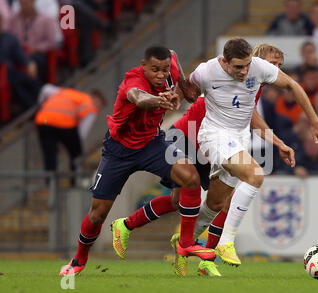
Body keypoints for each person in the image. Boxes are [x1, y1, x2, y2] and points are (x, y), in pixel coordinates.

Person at [111, 43, 296, 277]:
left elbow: (251, 118)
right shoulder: (233, 79)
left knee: (215, 202)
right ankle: (132, 228)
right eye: (273, 64)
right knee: (188, 199)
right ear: (255, 62)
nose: (277, 70)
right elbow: (246, 116)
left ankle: (201, 255)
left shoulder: (252, 87)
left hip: (209, 147)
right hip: (187, 136)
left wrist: (278, 143)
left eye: (280, 65)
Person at [59, 46, 215, 276]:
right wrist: (160, 99)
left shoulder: (169, 65)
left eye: (164, 70)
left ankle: (185, 243)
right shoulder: (133, 80)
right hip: (119, 151)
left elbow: (173, 54)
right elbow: (138, 98)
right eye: (154, 70)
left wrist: (181, 83)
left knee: (190, 177)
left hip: (152, 144)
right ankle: (78, 260)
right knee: (98, 214)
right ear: (143, 66)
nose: (161, 75)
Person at [189, 38, 318, 267]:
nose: (245, 72)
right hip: (212, 135)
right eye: (238, 67)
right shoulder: (206, 71)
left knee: (215, 204)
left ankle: (185, 240)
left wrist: (311, 123)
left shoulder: (258, 71)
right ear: (225, 62)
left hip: (238, 140)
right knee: (255, 175)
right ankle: (226, 242)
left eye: (247, 66)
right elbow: (187, 91)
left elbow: (293, 86)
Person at [34, 88, 106, 182]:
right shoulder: (90, 105)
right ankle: (74, 181)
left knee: (50, 154)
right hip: (64, 123)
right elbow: (82, 133)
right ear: (96, 99)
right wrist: (72, 143)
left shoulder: (67, 92)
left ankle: (50, 182)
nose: (98, 108)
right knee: (76, 154)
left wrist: (41, 104)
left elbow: (45, 89)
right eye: (100, 105)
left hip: (44, 120)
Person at [7, 0, 58, 82]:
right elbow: (8, 37)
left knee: (34, 62)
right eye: (22, 3)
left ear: (33, 2)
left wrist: (36, 48)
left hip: (37, 53)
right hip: (18, 52)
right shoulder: (13, 20)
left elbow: (51, 42)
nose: (25, 6)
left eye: (27, 3)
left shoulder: (46, 19)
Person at [0, 13, 41, 111]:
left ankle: (39, 106)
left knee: (30, 79)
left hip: (9, 73)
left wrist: (29, 63)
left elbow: (19, 54)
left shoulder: (9, 38)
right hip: (5, 74)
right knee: (16, 82)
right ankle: (32, 108)